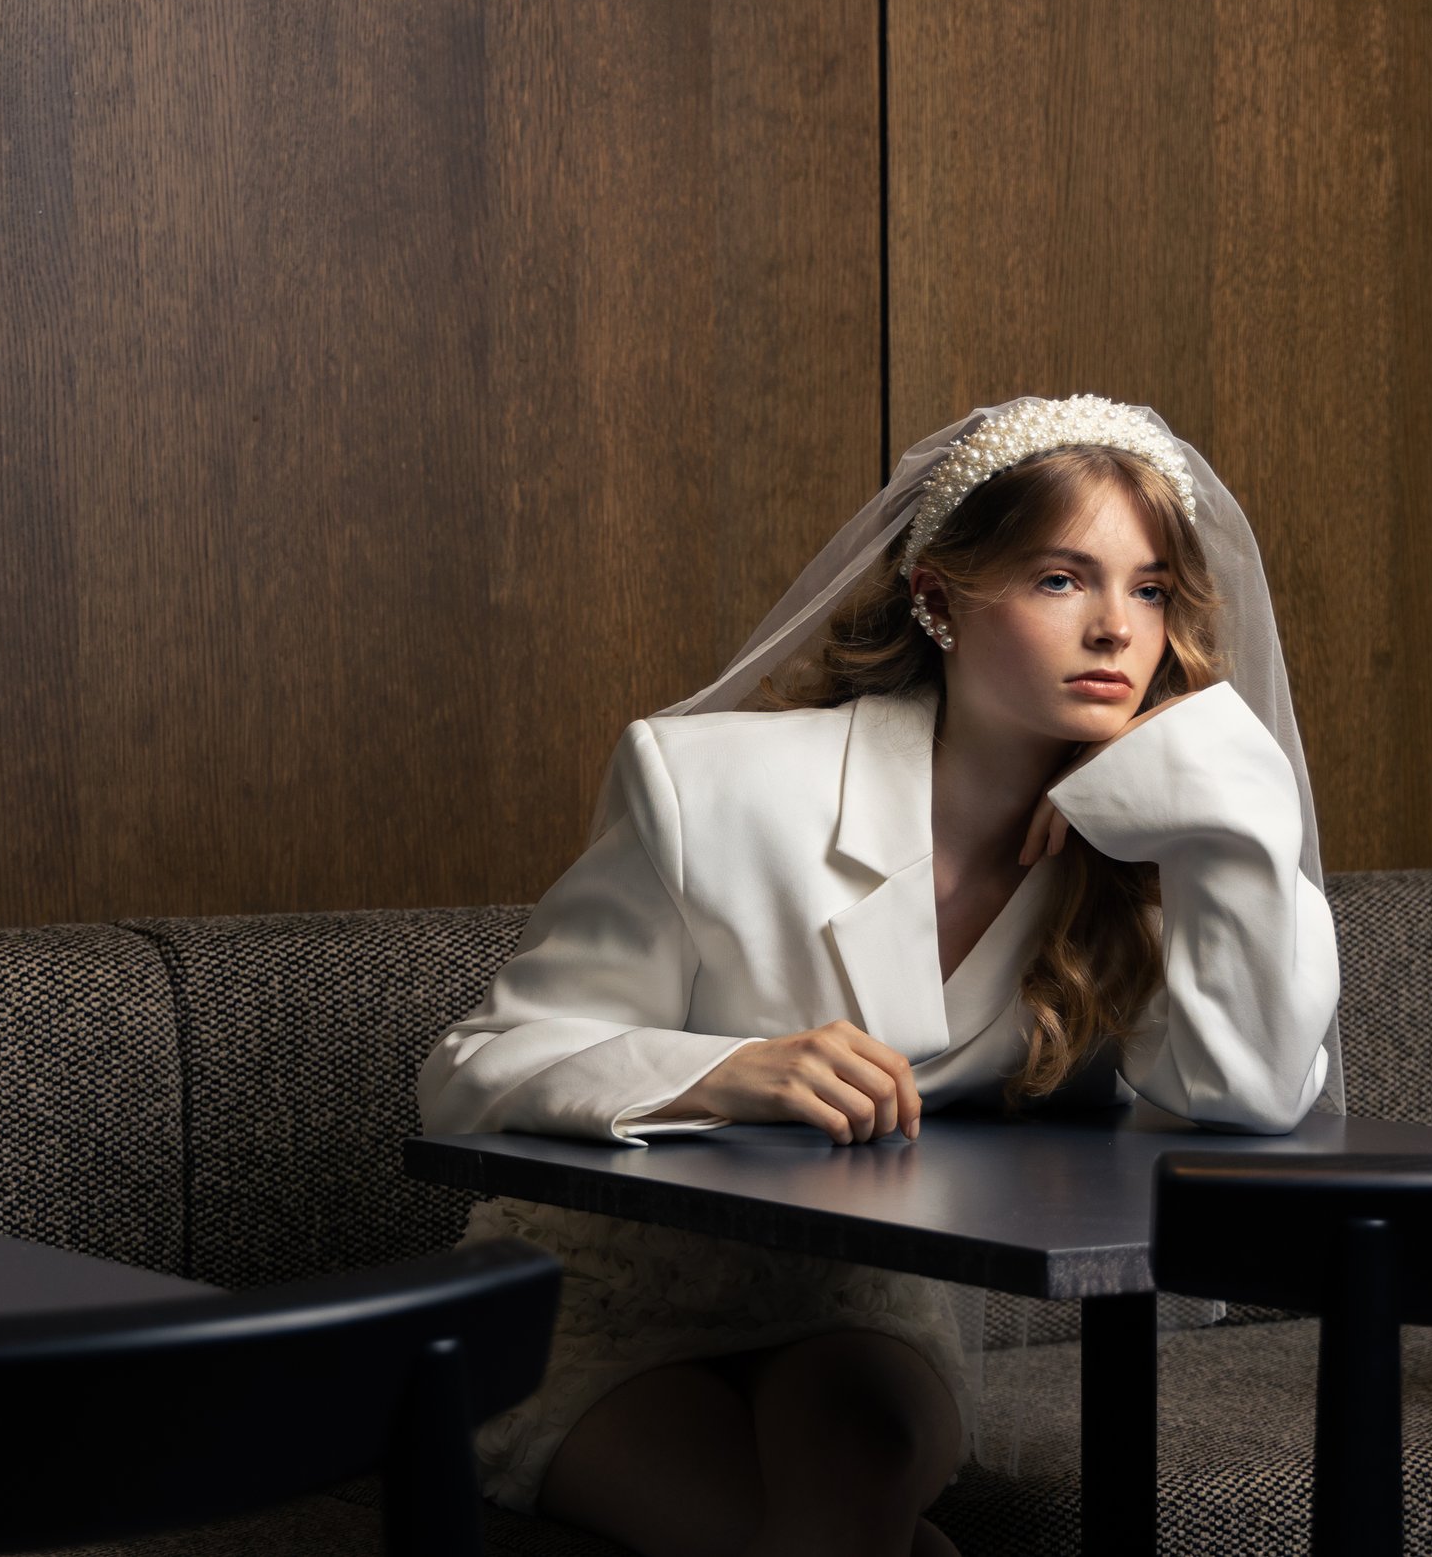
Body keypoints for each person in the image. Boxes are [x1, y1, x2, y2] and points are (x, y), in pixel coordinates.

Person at [415, 395, 1344, 1557]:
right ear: (936, 595)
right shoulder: (716, 786)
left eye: (1149, 588)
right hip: (600, 1299)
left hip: (855, 1303)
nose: (1116, 627)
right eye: (1062, 579)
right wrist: (727, 1071)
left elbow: (1250, 1092)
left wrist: (1215, 815)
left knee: (851, 1482)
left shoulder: (1151, 837)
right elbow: (468, 1070)